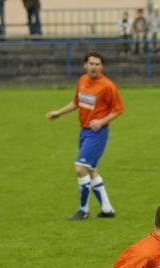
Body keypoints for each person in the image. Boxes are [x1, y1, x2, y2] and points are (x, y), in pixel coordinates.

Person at [46, 52, 124, 221]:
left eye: (97, 64)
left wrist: (101, 122)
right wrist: (58, 113)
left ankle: (83, 210)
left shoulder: (108, 86)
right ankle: (107, 209)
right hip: (84, 131)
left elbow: (118, 109)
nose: (94, 67)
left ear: (102, 67)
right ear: (85, 65)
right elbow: (76, 102)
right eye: (91, 64)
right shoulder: (82, 80)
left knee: (80, 168)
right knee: (90, 170)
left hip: (97, 133)